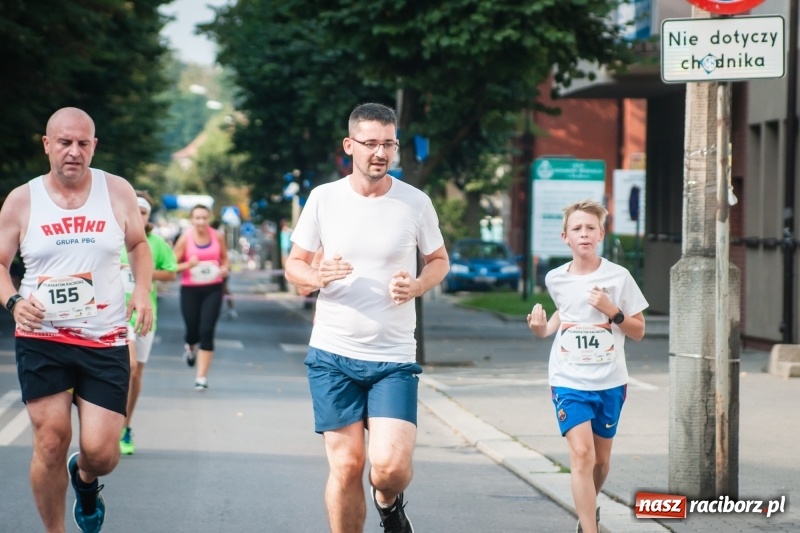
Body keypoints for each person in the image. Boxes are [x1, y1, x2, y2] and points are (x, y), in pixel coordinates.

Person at [285, 102, 449, 533]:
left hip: (393, 357)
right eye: (370, 143)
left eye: (388, 144)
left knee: (389, 469)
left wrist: (416, 286)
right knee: (346, 465)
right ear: (349, 145)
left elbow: (438, 260)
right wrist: (316, 274)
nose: (380, 152)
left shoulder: (415, 203)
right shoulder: (324, 199)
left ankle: (388, 503)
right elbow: (294, 265)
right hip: (333, 353)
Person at [0, 107, 153, 533]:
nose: (74, 151)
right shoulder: (22, 199)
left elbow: (138, 244)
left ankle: (85, 479)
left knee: (103, 454)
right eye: (64, 142)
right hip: (41, 335)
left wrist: (141, 291)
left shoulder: (116, 191)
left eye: (82, 143)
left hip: (104, 338)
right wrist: (13, 301)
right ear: (47, 145)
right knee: (49, 439)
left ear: (94, 146)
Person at [526, 199, 647, 533]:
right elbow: (563, 315)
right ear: (565, 237)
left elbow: (638, 331)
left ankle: (588, 511)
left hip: (610, 380)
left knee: (601, 461)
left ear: (601, 234)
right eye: (577, 229)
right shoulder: (555, 278)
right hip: (568, 378)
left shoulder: (619, 277)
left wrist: (612, 310)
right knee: (581, 454)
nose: (584, 234)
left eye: (590, 228)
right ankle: (588, 528)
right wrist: (541, 330)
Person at [119, 191, 178, 455]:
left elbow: (170, 273)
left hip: (144, 314)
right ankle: (110, 421)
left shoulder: (155, 242)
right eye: (135, 211)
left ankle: (125, 426)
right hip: (114, 315)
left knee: (136, 373)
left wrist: (142, 272)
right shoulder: (111, 237)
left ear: (148, 216)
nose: (139, 217)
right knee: (129, 367)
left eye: (143, 212)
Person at [173, 204, 229, 391]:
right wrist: (188, 264)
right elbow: (172, 265)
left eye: (204, 218)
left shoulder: (217, 236)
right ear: (192, 219)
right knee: (192, 331)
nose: (201, 222)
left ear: (209, 218)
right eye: (197, 218)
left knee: (207, 330)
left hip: (213, 288)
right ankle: (190, 347)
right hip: (190, 290)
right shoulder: (185, 238)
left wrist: (224, 269)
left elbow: (225, 258)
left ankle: (201, 377)